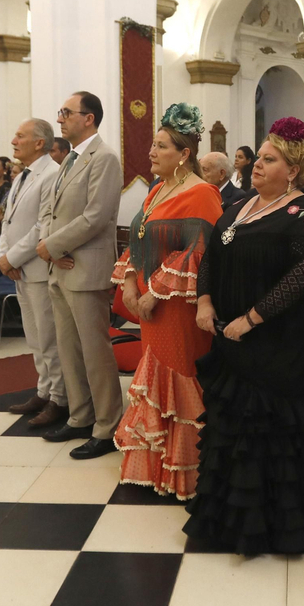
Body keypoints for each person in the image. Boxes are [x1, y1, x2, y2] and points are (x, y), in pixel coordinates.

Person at [184, 117, 304, 552]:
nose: (256, 165)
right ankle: (229, 519)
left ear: (292, 171)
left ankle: (280, 526)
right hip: (232, 342)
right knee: (235, 431)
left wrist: (253, 318)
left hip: (280, 347)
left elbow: (302, 276)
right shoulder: (238, 207)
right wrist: (204, 301)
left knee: (273, 434)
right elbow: (210, 257)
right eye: (257, 158)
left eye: (268, 159)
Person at [112, 104, 224, 498]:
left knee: (178, 377)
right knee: (153, 376)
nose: (151, 153)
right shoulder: (158, 189)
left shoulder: (203, 193)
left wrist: (154, 293)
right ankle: (158, 464)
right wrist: (129, 283)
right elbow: (138, 239)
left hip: (177, 307)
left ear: (184, 154)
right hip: (147, 305)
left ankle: (185, 471)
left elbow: (201, 253)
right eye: (153, 145)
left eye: (161, 146)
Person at [38, 91, 125, 460]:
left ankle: (107, 426)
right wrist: (49, 246)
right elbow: (49, 211)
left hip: (86, 268)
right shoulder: (68, 161)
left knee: (94, 353)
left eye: (66, 112)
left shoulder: (103, 158)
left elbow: (97, 215)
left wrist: (52, 247)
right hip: (61, 265)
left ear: (88, 118)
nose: (60, 119)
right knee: (69, 350)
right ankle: (80, 416)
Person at [0, 119, 69, 429]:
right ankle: (43, 390)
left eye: (20, 136)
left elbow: (43, 226)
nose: (14, 140)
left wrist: (12, 256)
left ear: (40, 143)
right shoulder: (22, 175)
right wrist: (5, 256)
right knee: (34, 337)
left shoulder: (51, 174)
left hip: (38, 268)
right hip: (19, 268)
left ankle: (59, 398)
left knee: (49, 337)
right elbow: (9, 221)